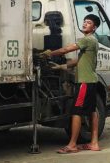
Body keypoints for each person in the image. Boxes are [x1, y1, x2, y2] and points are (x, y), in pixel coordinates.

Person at [41, 14, 102, 154]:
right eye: (84, 21)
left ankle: (72, 145)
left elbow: (66, 50)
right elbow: (78, 61)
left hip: (85, 82)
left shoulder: (88, 40)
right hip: (91, 81)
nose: (85, 24)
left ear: (94, 27)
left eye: (89, 22)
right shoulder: (93, 42)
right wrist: (60, 67)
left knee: (76, 112)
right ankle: (94, 143)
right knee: (92, 112)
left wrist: (49, 53)